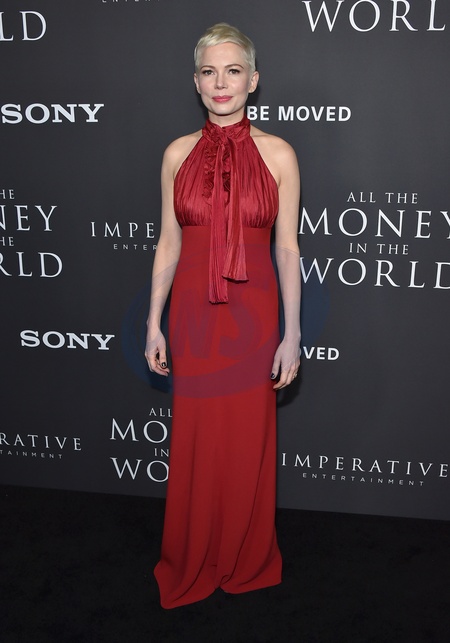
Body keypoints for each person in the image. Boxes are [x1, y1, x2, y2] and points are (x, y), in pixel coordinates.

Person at [145, 23, 301, 609]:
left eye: (233, 71)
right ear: (195, 82)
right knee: (197, 439)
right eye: (209, 71)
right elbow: (168, 242)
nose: (221, 83)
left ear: (253, 80)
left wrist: (293, 332)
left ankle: (244, 555)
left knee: (246, 440)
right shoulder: (176, 153)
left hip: (254, 318)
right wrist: (153, 322)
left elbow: (287, 248)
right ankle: (193, 555)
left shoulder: (279, 153)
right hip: (193, 315)